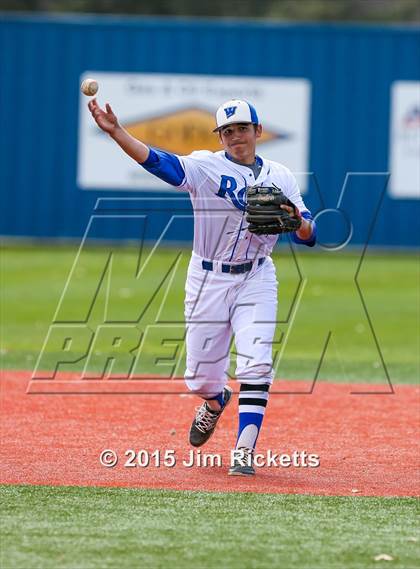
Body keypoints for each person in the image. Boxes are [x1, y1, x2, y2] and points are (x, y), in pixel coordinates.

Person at [88, 98, 316, 476]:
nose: (236, 136)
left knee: (256, 362)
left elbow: (310, 235)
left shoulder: (281, 177)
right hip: (207, 278)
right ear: (220, 137)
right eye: (228, 131)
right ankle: (214, 401)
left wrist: (296, 220)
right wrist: (117, 133)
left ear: (258, 132)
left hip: (257, 277)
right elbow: (157, 161)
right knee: (198, 379)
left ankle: (244, 450)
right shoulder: (205, 167)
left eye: (243, 128)